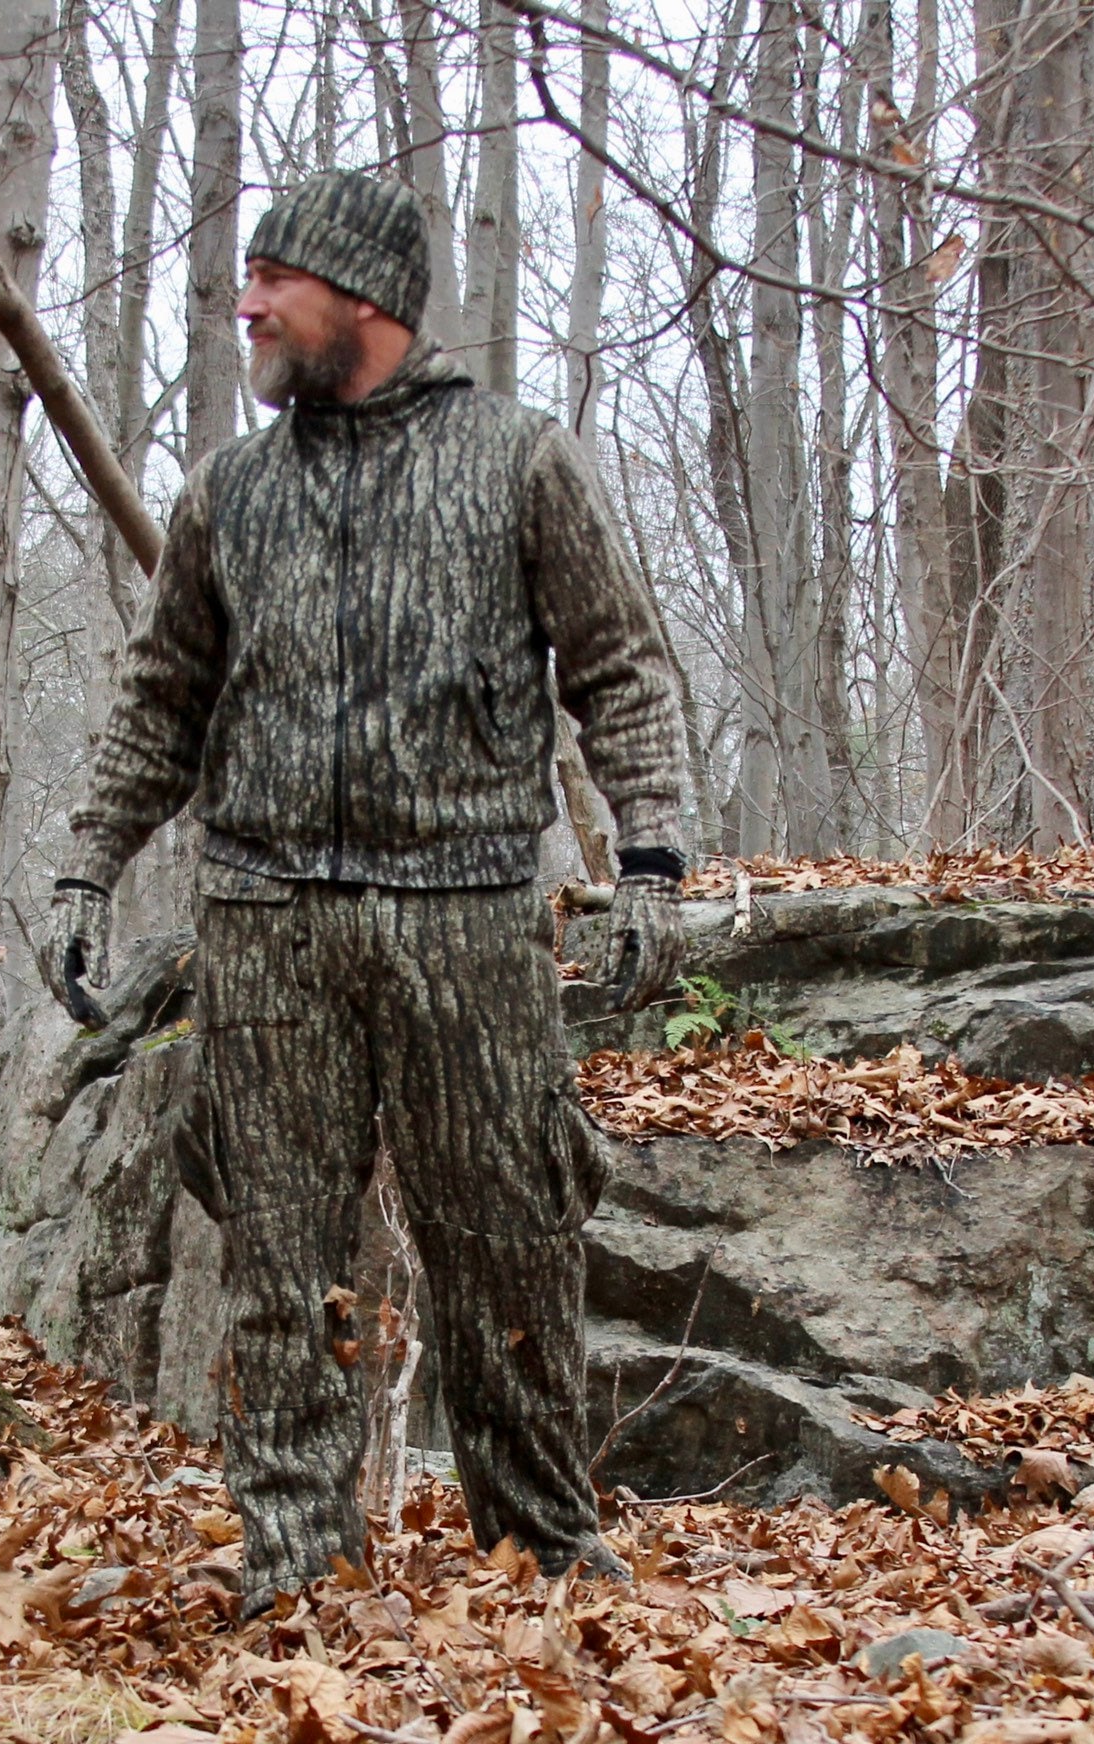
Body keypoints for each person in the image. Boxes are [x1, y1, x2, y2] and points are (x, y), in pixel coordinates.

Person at [39, 171, 693, 1616]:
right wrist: (90, 861)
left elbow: (621, 669)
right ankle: (296, 1577)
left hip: (469, 919)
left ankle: (545, 1569)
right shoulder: (231, 491)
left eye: (274, 276)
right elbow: (160, 702)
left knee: (513, 1251)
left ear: (367, 297)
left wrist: (648, 858)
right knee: (279, 1270)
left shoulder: (519, 460)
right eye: (246, 276)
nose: (246, 303)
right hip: (267, 924)